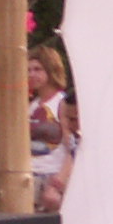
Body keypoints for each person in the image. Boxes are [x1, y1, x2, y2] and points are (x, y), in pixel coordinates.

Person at [27, 46, 71, 211]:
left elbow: (74, 148)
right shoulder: (31, 106)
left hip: (54, 179)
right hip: (30, 179)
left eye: (37, 69)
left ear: (51, 70)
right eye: (28, 70)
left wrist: (59, 182)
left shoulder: (63, 104)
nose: (31, 74)